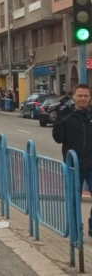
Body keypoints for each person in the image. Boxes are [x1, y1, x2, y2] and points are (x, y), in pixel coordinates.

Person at [52, 84, 92, 237]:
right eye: (80, 95)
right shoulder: (67, 115)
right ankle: (76, 230)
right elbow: (58, 139)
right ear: (74, 96)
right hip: (73, 166)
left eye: (86, 96)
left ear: (90, 98)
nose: (82, 99)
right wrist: (58, 122)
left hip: (91, 164)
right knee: (74, 200)